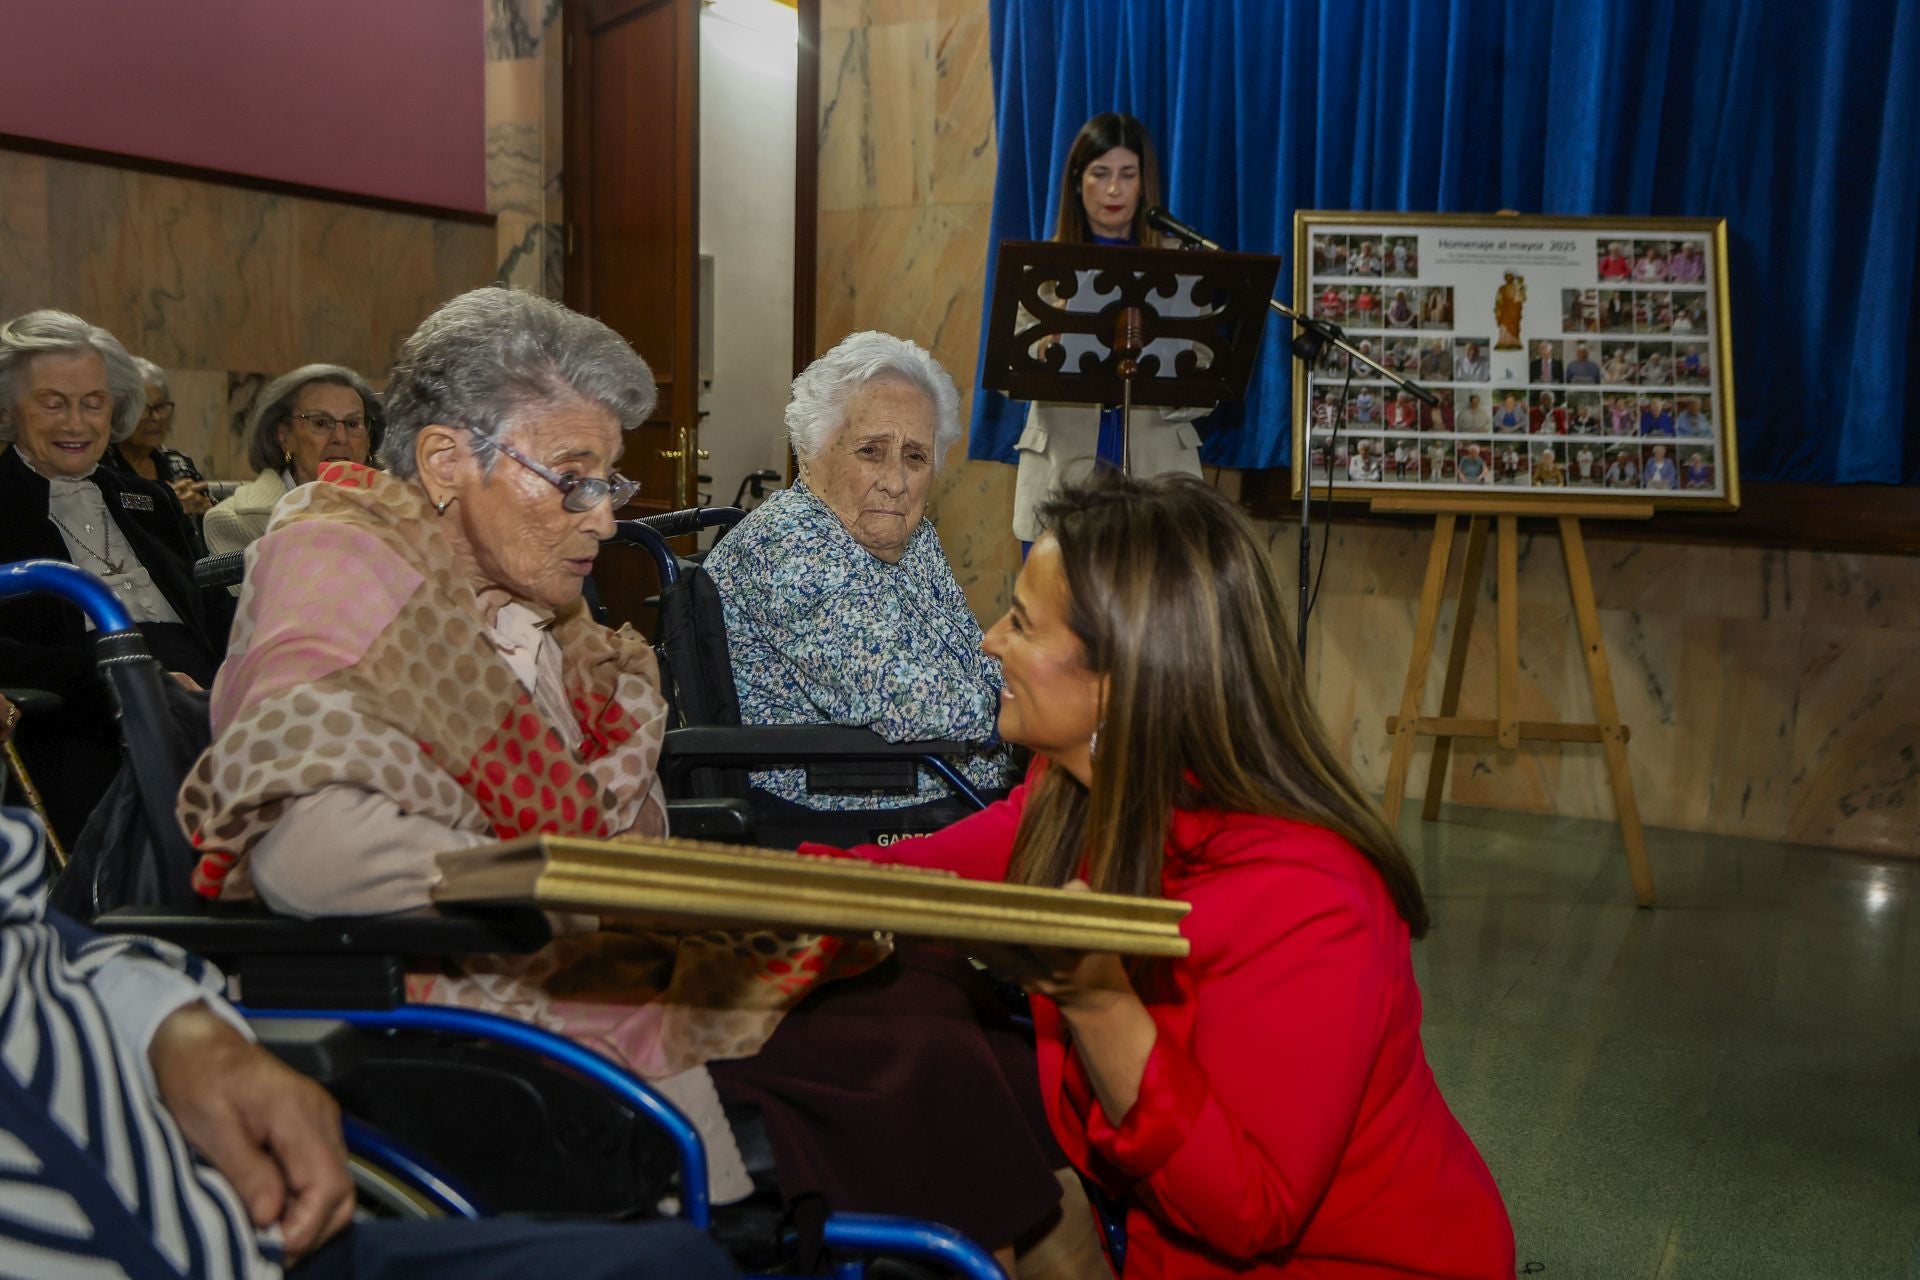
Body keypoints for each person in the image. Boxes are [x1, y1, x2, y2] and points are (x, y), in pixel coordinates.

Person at [178, 289, 1089, 1271]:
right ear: (446, 462)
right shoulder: (338, 572)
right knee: (921, 1045)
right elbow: (313, 856)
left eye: (607, 481)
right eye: (572, 481)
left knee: (938, 995)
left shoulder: (548, 619)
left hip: (581, 958)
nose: (606, 518)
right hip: (470, 1012)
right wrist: (603, 890)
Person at [816, 475, 1514, 1278]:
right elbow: (894, 879)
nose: (988, 640)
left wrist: (1101, 1002)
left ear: (1123, 678)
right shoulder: (1077, 793)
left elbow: (1251, 1212)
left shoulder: (1311, 897)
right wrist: (707, 896)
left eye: (1023, 623)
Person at [0, 805, 736, 1280]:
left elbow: (47, 940)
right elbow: (310, 859)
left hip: (226, 1235)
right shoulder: (338, 609)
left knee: (676, 1265)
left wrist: (172, 1021)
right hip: (463, 995)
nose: (606, 547)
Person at [704, 332, 1010, 810]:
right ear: (808, 453)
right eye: (871, 451)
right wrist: (1027, 707)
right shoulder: (790, 542)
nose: (895, 483)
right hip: (854, 807)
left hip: (944, 782)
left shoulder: (913, 538)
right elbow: (902, 698)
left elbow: (972, 657)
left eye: (915, 456)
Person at [0, 310, 229, 846]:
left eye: (93, 402)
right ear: (11, 409)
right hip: (81, 714)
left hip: (205, 703)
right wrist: (126, 679)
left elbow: (204, 608)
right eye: (52, 403)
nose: (76, 423)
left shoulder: (149, 500)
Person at [1010, 112, 1207, 545]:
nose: (1114, 189)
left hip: (1159, 475)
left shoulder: (1182, 263)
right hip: (1061, 474)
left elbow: (1208, 377)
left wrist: (1170, 377)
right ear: (1078, 183)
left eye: (1127, 174)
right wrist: (1056, 330)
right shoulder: (1040, 266)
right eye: (1100, 174)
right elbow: (1011, 378)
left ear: (1145, 184)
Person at [203, 364, 381, 557]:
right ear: (284, 436)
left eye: (353, 424)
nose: (341, 437)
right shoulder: (233, 521)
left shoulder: (394, 510)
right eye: (320, 423)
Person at [108, 356, 217, 520]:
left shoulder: (178, 462)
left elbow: (211, 508)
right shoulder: (105, 463)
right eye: (144, 408)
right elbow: (117, 501)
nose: (156, 417)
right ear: (120, 413)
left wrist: (204, 507)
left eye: (161, 407)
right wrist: (167, 501)